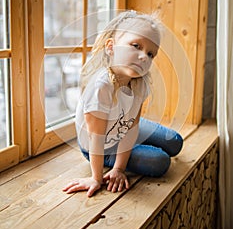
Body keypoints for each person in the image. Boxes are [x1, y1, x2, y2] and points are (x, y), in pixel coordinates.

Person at [63, 10, 183, 197]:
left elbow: (132, 126)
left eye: (151, 54)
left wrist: (120, 168)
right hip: (100, 144)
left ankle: (126, 156)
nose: (144, 57)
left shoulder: (140, 83)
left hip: (122, 126)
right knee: (160, 162)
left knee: (175, 142)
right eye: (136, 45)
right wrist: (96, 178)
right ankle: (114, 160)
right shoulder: (100, 87)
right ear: (111, 47)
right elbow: (97, 138)